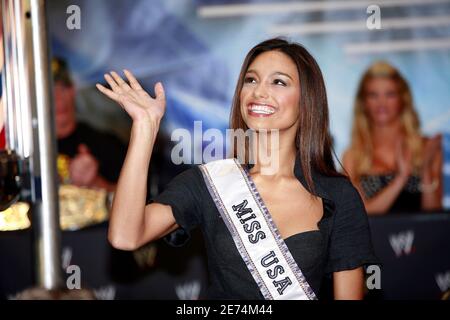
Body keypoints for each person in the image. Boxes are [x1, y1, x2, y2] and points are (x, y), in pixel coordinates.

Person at [96, 38, 378, 300]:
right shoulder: (211, 182)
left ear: (307, 101)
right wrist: (145, 128)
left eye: (279, 82)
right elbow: (125, 236)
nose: (259, 92)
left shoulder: (337, 195)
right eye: (251, 80)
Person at [343, 61, 443, 215]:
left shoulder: (426, 148)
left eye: (390, 94)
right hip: (375, 239)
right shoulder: (353, 157)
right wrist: (401, 178)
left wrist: (426, 170)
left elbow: (435, 218)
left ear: (403, 99)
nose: (381, 103)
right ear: (363, 103)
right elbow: (361, 217)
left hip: (423, 239)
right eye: (373, 95)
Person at [52, 57, 126, 192]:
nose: (58, 98)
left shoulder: (105, 144)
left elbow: (134, 201)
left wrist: (94, 182)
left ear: (73, 90)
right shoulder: (28, 150)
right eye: (49, 92)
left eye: (63, 88)